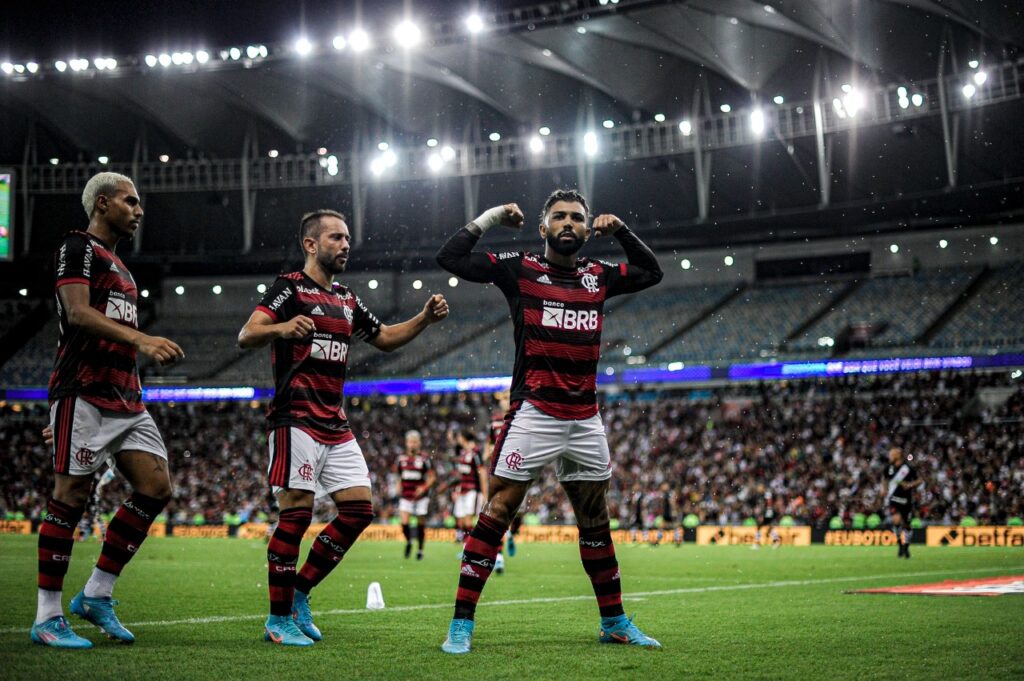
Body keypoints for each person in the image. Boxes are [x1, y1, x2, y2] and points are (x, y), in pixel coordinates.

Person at [435, 189, 664, 654]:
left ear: (586, 229)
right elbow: (451, 257)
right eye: (558, 216)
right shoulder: (519, 268)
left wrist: (621, 231)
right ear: (543, 229)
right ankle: (460, 626)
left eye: (577, 218)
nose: (568, 223)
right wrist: (495, 216)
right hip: (534, 412)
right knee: (497, 513)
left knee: (595, 521)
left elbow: (652, 272)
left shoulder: (598, 276)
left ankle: (615, 622)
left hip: (585, 419)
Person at [238, 209, 448, 647]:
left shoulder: (348, 300)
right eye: (336, 237)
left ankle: (298, 593)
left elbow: (386, 338)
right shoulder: (290, 288)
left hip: (334, 422)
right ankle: (277, 620)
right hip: (294, 417)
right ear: (311, 245)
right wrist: (282, 327)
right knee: (295, 515)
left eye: (348, 237)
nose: (346, 244)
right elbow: (247, 334)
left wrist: (424, 319)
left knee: (359, 511)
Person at [32, 172, 184, 649]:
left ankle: (97, 593)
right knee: (70, 497)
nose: (139, 210)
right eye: (130, 201)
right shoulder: (77, 247)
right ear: (102, 204)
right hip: (84, 391)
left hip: (125, 397)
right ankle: (47, 616)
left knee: (156, 487)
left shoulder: (123, 267)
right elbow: (76, 313)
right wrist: (142, 339)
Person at [396, 430, 437, 561]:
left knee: (420, 524)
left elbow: (432, 477)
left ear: (419, 443)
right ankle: (409, 541)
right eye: (410, 442)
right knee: (404, 522)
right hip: (405, 495)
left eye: (414, 442)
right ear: (406, 443)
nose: (412, 444)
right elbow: (398, 475)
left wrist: (423, 487)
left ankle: (420, 550)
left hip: (421, 498)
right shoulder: (401, 459)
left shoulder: (425, 459)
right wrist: (398, 485)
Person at [884, 447, 922, 559]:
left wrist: (910, 485)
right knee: (896, 521)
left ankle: (906, 546)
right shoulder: (889, 468)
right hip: (894, 499)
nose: (889, 457)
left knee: (906, 525)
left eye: (891, 454)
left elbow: (919, 480)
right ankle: (900, 543)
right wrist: (884, 489)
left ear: (897, 455)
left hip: (906, 501)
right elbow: (885, 479)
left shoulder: (908, 468)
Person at [452, 429, 488, 545]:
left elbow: (482, 472)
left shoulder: (475, 452)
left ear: (463, 438)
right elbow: (461, 475)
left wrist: (484, 494)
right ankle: (466, 547)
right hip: (462, 491)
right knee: (461, 521)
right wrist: (456, 490)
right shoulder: (463, 453)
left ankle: (471, 548)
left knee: (468, 520)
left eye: (458, 437)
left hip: (472, 491)